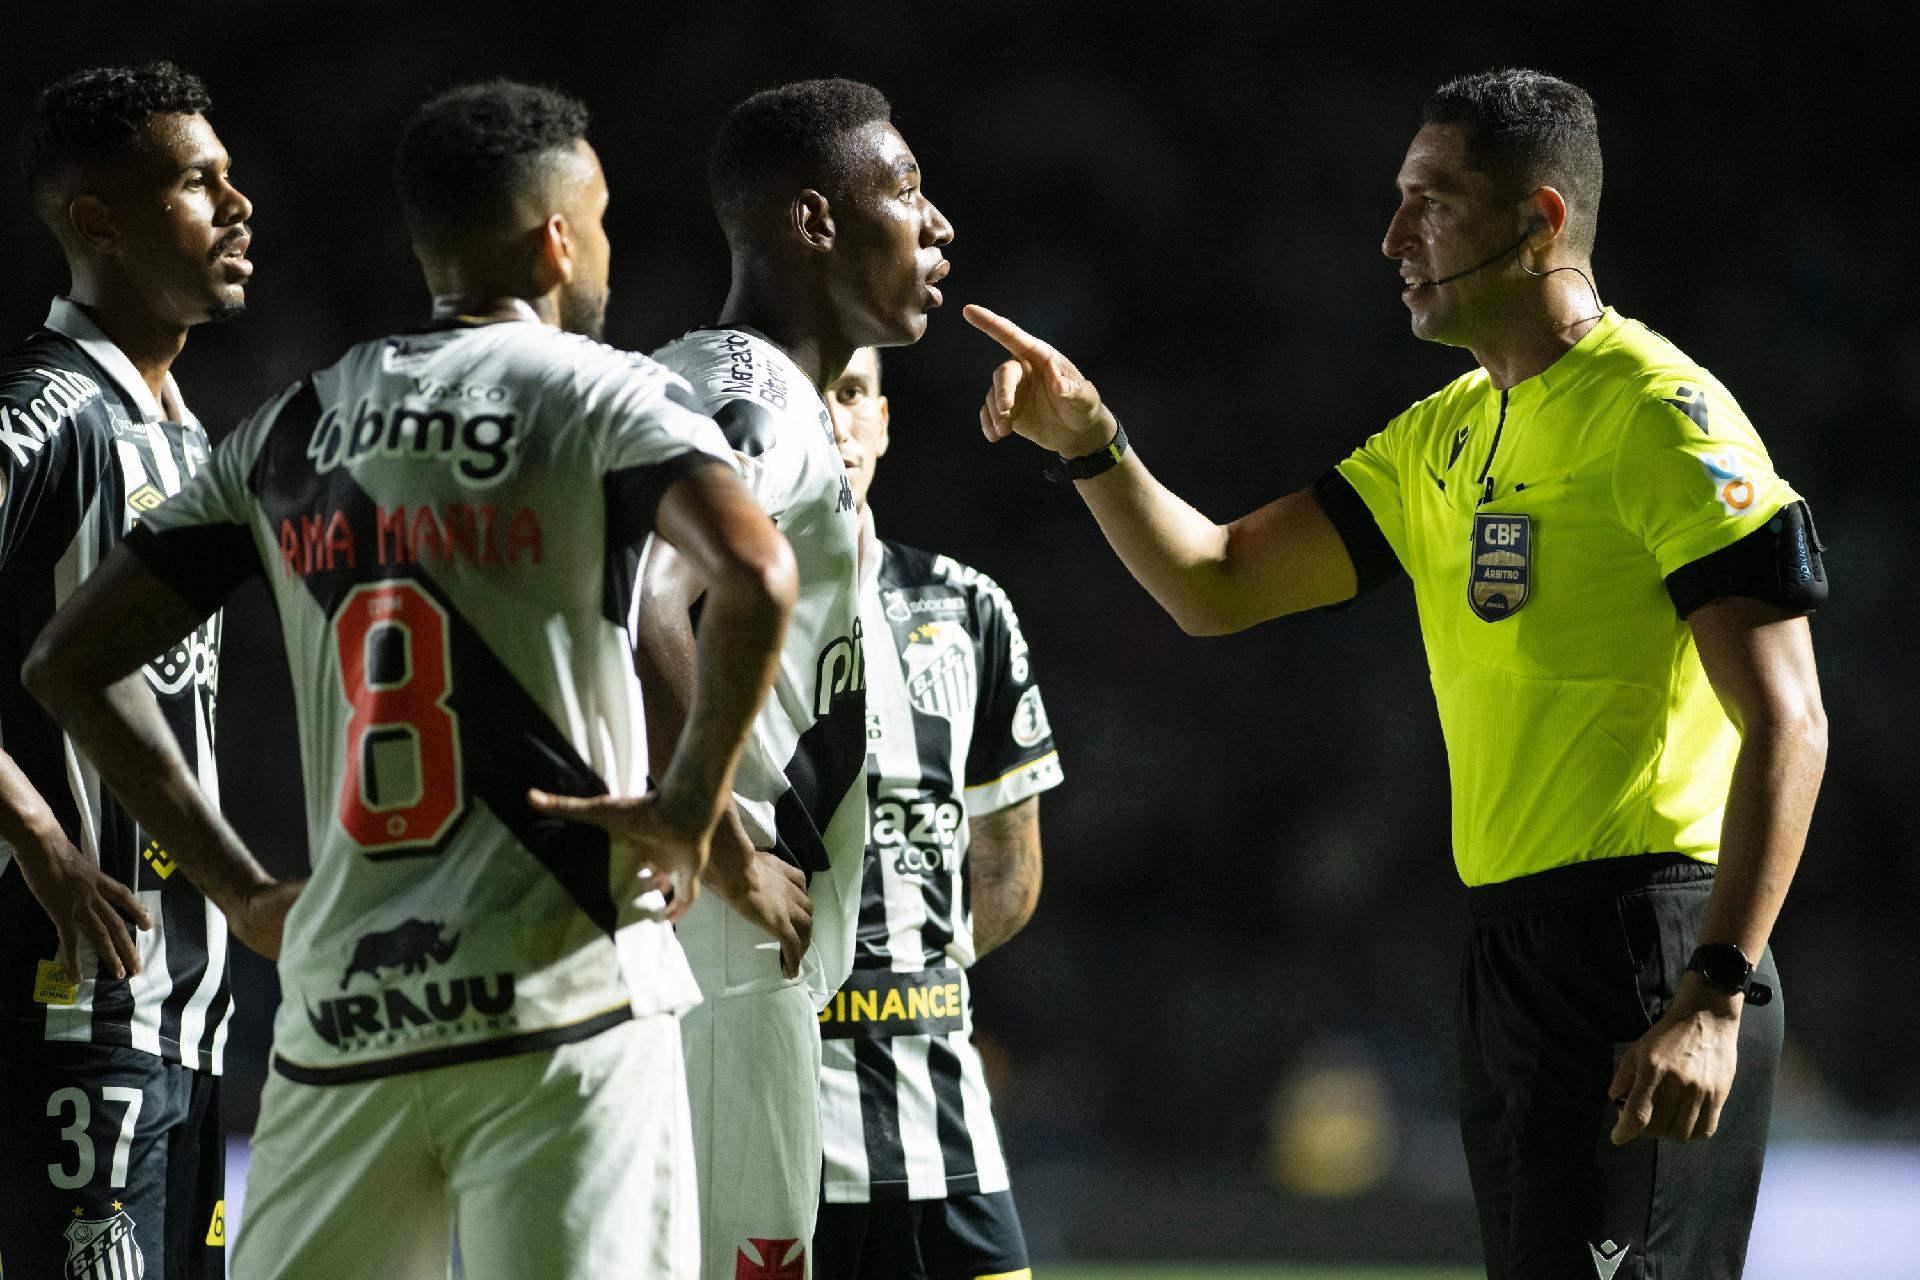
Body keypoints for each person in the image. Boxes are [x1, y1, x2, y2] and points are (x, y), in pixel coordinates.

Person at [964, 68, 1827, 1279]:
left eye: (1431, 201)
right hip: (1511, 953)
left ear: (1540, 218)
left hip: (1654, 943)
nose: (1392, 236)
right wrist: (1095, 443)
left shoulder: (1662, 417)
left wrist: (1716, 992)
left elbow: (1790, 718)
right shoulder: (1444, 434)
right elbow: (1215, 580)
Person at [24, 79, 797, 1280]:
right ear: (555, 239)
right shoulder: (605, 393)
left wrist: (236, 885)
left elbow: (66, 661)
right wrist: (697, 807)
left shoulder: (290, 426)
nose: (602, 248)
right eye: (595, 219)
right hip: (565, 1002)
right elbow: (754, 570)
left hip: (344, 1017)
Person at [641, 78, 953, 1279]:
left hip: (710, 928)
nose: (938, 226)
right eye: (907, 190)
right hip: (719, 931)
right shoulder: (754, 391)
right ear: (815, 222)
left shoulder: (766, 394)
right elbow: (646, 594)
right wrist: (722, 841)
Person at [0, 61, 253, 1280]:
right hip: (61, 1006)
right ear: (99, 219)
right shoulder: (38, 413)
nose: (238, 204)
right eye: (200, 184)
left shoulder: (192, 435)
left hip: (183, 1016)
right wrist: (44, 841)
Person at [813, 348, 1059, 1280]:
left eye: (852, 395)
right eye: (809, 398)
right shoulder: (691, 615)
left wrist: (906, 976)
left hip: (941, 1112)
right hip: (765, 1110)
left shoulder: (967, 609)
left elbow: (1011, 870)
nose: (834, 422)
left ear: (882, 420)